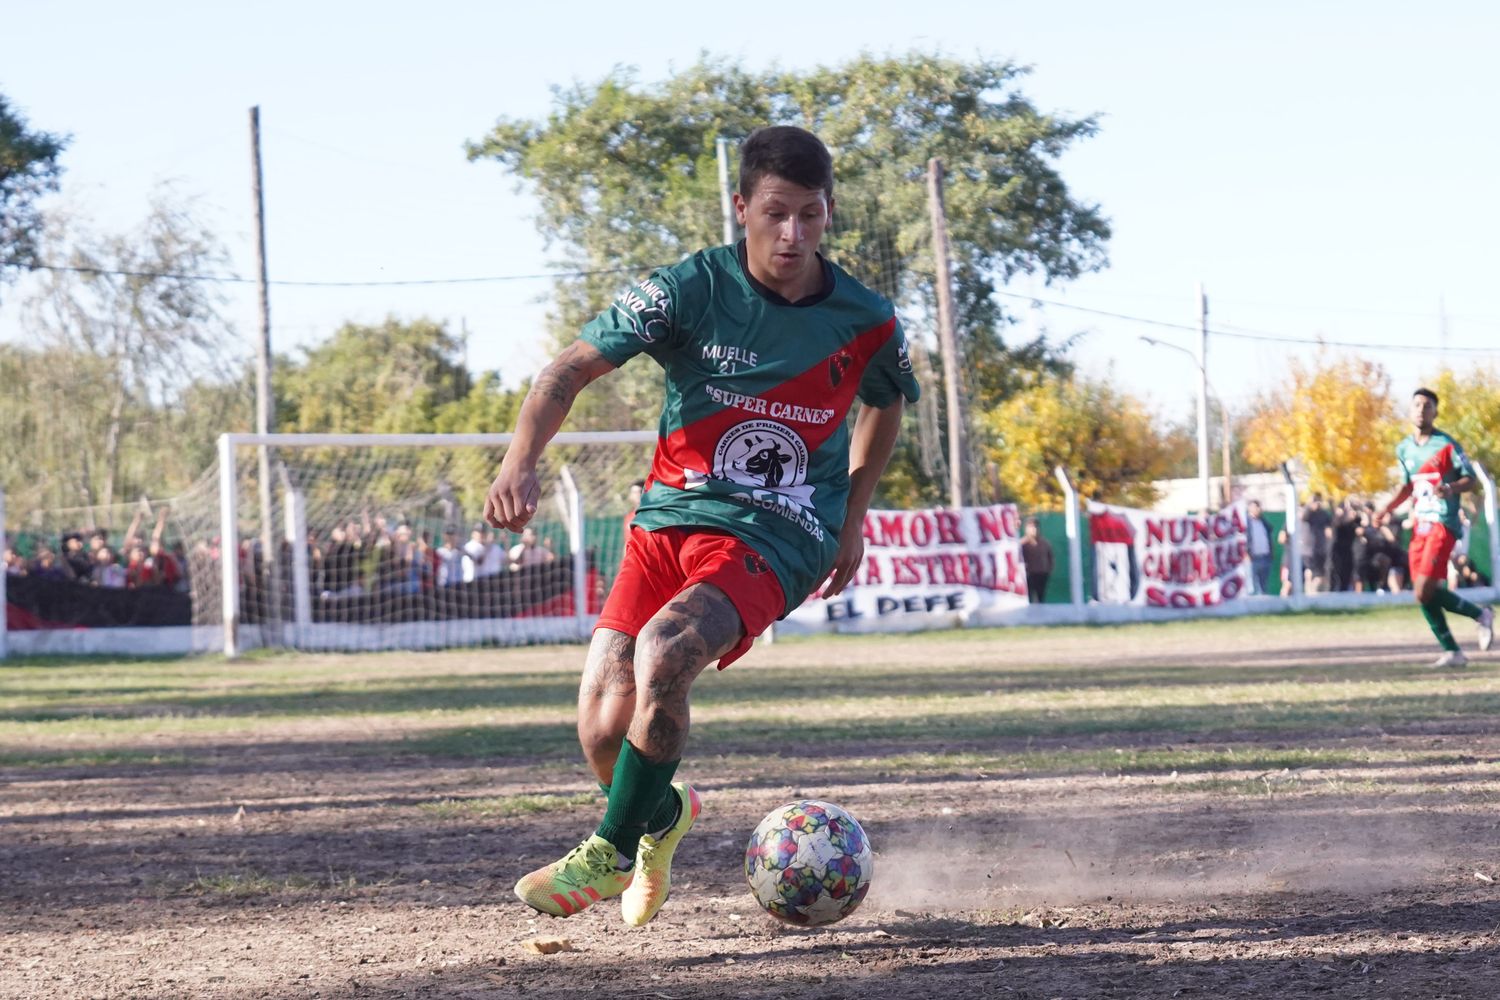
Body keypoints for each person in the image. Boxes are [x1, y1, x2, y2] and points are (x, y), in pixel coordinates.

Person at [484, 125, 918, 926]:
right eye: (777, 213)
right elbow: (567, 370)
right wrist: (519, 461)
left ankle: (608, 854)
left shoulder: (866, 318)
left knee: (667, 650)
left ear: (828, 214)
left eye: (812, 217)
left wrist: (851, 517)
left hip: (781, 532)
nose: (793, 234)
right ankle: (660, 817)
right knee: (603, 733)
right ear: (742, 206)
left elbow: (885, 403)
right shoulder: (691, 288)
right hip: (667, 522)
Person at [1375, 388, 1493, 668]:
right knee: (1420, 592)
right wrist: (1387, 509)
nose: (1421, 410)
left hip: (1444, 523)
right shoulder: (1404, 448)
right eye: (1416, 404)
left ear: (1435, 412)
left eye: (1427, 406)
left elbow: (1471, 480)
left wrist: (1450, 487)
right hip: (1420, 525)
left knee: (1425, 586)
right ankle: (1454, 649)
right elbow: (1407, 486)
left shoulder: (1446, 445)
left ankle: (1479, 616)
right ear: (1411, 409)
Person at [1298, 493, 1332, 593]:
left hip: (1320, 548)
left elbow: (1329, 528)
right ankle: (1309, 593)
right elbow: (1303, 517)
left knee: (1322, 574)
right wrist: (1309, 506)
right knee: (1310, 572)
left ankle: (1318, 593)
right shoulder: (1307, 512)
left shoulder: (1323, 514)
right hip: (1308, 549)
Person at [1020, 516, 1053, 604]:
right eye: (1031, 527)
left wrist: (1048, 570)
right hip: (1027, 575)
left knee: (1041, 598)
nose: (1034, 529)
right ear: (1026, 529)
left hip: (1042, 574)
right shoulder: (1022, 544)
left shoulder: (1045, 543)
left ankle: (1041, 616)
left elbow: (1050, 557)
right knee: (1028, 599)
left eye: (1036, 526)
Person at [1245, 499, 1273, 595]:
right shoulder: (1246, 523)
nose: (1258, 509)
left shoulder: (1263, 522)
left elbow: (1269, 532)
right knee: (1251, 586)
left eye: (1259, 506)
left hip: (1265, 557)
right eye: (1255, 506)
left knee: (1263, 586)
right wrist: (1246, 553)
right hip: (1252, 558)